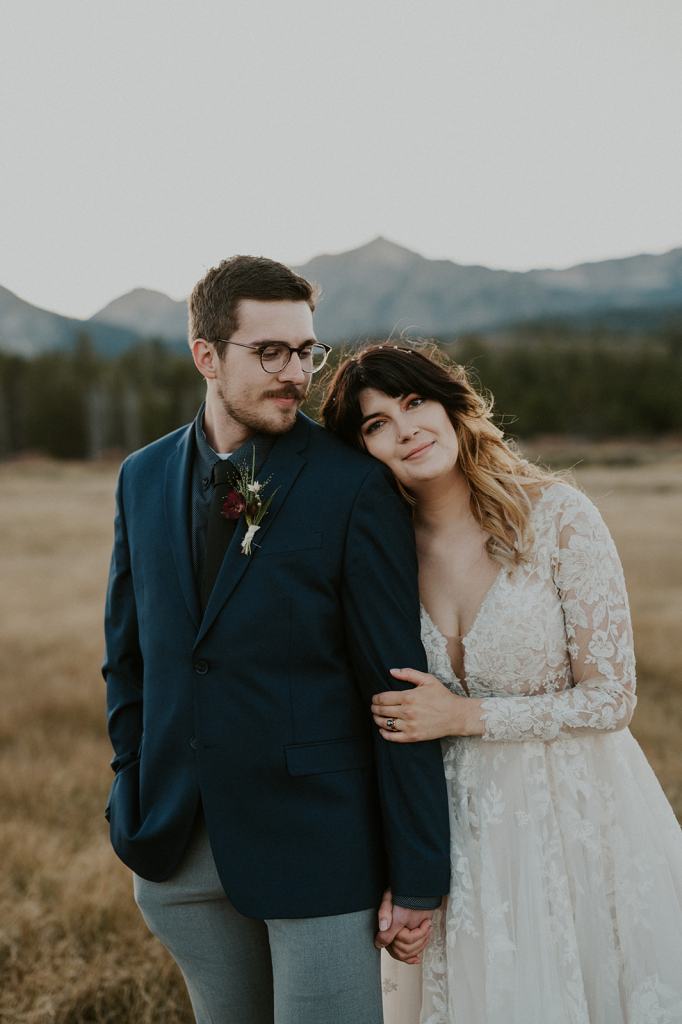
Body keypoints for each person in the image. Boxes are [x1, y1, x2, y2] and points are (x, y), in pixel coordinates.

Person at [101, 258, 451, 1024]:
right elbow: (127, 659)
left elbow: (396, 683)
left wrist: (419, 872)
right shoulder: (142, 476)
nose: (296, 373)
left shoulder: (352, 487)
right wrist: (130, 783)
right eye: (270, 352)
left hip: (316, 848)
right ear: (206, 355)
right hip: (176, 847)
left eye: (306, 351)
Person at [322, 343, 682, 1024]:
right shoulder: (381, 549)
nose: (405, 430)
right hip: (454, 832)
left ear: (450, 404)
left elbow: (612, 697)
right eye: (375, 425)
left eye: (413, 402)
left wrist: (463, 717)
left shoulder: (557, 516)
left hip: (575, 821)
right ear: (361, 449)